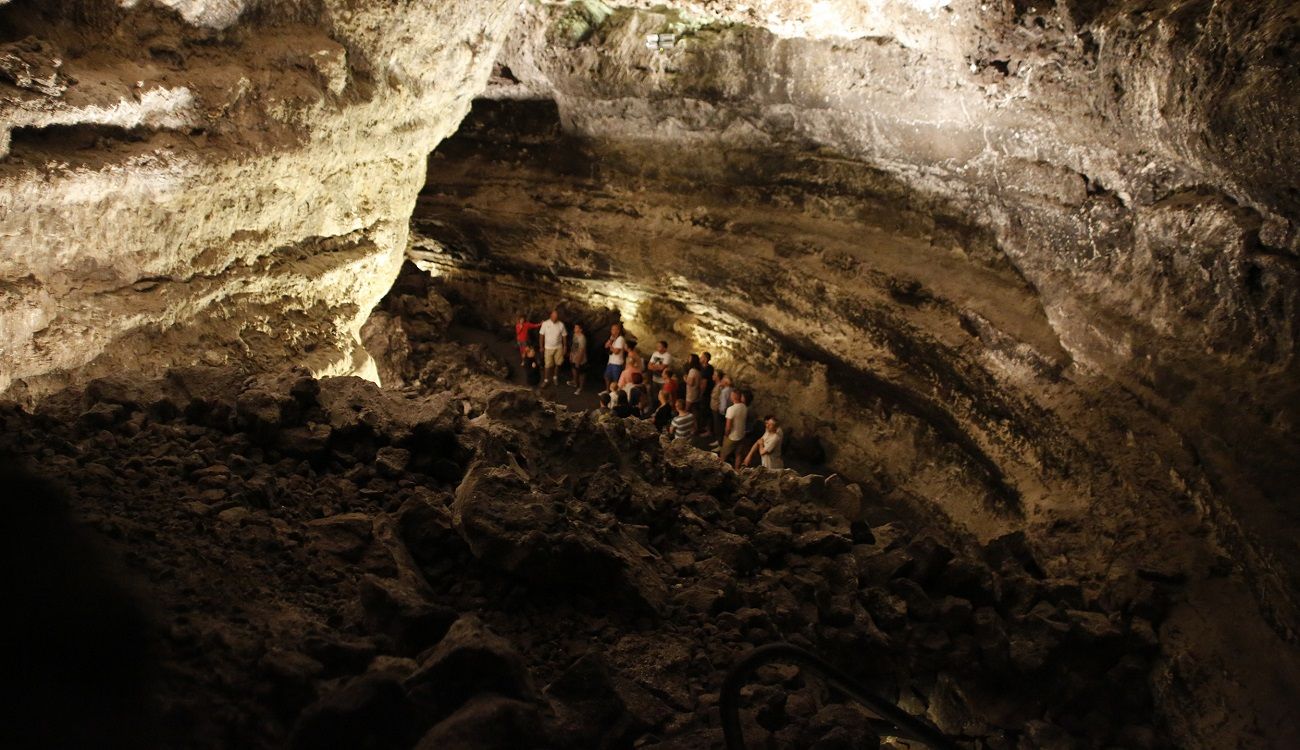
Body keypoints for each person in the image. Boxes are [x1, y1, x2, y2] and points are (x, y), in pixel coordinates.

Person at [718, 389, 748, 468]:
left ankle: (720, 471)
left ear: (733, 397)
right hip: (741, 434)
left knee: (723, 456)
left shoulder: (731, 409)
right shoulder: (744, 406)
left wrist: (725, 436)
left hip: (732, 436)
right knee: (738, 455)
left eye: (731, 395)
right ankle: (737, 471)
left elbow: (728, 426)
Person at [538, 309, 567, 388]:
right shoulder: (545, 323)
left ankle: (555, 377)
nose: (555, 318)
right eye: (553, 316)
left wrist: (565, 346)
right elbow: (541, 335)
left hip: (558, 347)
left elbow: (564, 336)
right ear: (550, 316)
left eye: (556, 316)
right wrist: (541, 346)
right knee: (547, 365)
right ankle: (546, 380)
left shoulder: (561, 324)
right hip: (548, 348)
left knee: (558, 363)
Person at [710, 373, 732, 449]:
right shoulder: (729, 389)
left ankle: (720, 444)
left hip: (720, 411)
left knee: (719, 427)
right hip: (722, 411)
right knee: (718, 427)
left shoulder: (724, 390)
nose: (721, 381)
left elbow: (723, 403)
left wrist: (721, 411)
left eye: (723, 380)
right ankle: (719, 441)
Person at [604, 323, 626, 388]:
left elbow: (616, 351)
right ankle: (608, 391)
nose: (612, 331)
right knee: (606, 376)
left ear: (618, 330)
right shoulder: (613, 338)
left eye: (613, 329)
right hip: (611, 361)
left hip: (617, 363)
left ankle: (616, 393)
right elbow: (605, 346)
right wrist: (610, 340)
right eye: (611, 329)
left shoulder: (620, 339)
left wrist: (610, 345)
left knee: (616, 379)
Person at [698, 352, 716, 432]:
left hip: (706, 394)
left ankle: (707, 429)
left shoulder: (707, 369)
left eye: (701, 357)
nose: (700, 358)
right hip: (708, 392)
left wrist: (700, 394)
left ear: (705, 359)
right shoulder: (708, 367)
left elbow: (704, 383)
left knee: (706, 411)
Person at [569, 323, 588, 394]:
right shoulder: (575, 335)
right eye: (575, 327)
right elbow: (574, 345)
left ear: (580, 329)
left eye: (576, 328)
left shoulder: (582, 338)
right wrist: (571, 354)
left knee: (581, 373)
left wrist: (578, 361)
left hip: (581, 360)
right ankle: (575, 382)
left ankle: (580, 387)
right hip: (574, 357)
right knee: (574, 369)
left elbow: (582, 351)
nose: (574, 329)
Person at [684, 354, 702, 420]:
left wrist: (685, 379)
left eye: (689, 358)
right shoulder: (698, 370)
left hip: (691, 394)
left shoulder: (692, 371)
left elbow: (691, 383)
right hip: (696, 392)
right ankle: (695, 427)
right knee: (694, 411)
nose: (688, 359)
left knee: (687, 410)